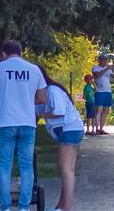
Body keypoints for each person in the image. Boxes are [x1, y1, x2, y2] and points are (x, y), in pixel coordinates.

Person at [0, 41, 48, 211]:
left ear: (4, 54)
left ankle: (5, 207)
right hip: (27, 123)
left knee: (4, 165)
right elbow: (42, 98)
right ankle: (24, 207)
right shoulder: (34, 70)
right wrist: (25, 99)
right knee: (26, 165)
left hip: (5, 123)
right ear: (21, 53)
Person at [36, 66, 83, 211]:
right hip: (71, 129)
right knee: (67, 168)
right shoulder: (45, 93)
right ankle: (61, 205)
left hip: (68, 129)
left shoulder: (52, 91)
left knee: (66, 168)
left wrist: (43, 116)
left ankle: (67, 207)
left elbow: (59, 112)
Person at [92, 57, 114, 135]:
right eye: (103, 60)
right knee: (99, 110)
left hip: (107, 91)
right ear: (99, 60)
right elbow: (97, 75)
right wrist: (107, 68)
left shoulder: (108, 70)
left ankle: (101, 129)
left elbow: (113, 80)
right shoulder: (95, 68)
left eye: (106, 60)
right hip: (99, 92)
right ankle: (97, 128)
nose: (105, 61)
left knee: (106, 110)